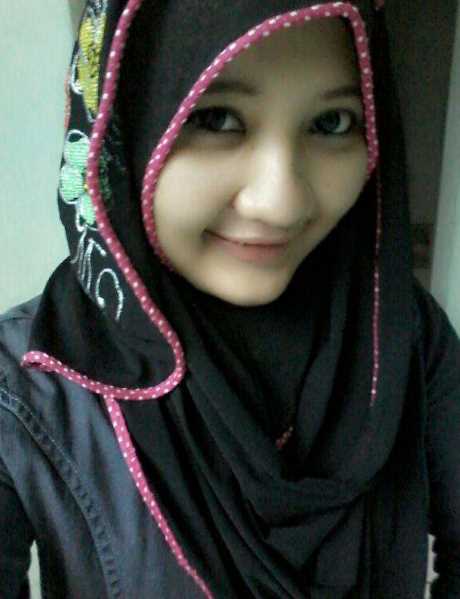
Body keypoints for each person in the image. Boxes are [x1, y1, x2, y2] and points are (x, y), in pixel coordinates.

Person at [0, 1, 459, 597]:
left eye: (331, 123)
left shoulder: (401, 336)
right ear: (123, 122)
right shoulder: (27, 383)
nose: (280, 203)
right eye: (214, 118)